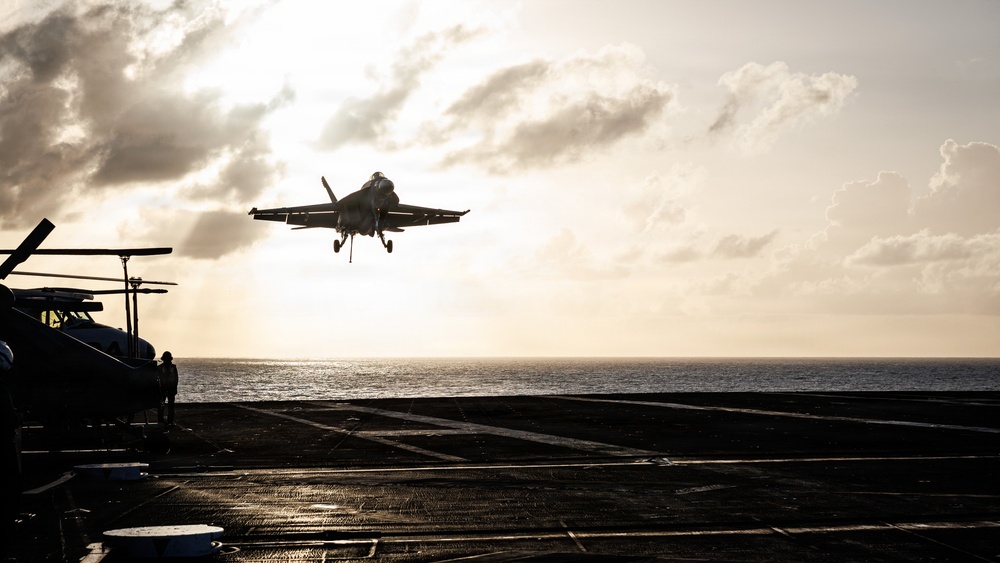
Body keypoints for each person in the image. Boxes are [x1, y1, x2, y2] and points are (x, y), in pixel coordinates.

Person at [158, 351, 179, 426]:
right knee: (162, 406)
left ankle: (169, 420)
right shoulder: (160, 368)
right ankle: (161, 420)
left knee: (169, 406)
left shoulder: (172, 367)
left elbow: (176, 378)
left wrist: (175, 388)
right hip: (163, 389)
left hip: (170, 388)